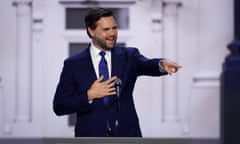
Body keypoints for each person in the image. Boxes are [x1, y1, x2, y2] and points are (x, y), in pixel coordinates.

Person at [53, 8, 182, 137]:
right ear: (91, 31)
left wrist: (161, 64)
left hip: (127, 135)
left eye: (114, 28)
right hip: (90, 137)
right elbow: (60, 106)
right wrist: (89, 95)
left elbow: (146, 65)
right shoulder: (73, 64)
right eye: (106, 29)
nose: (112, 33)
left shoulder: (129, 56)